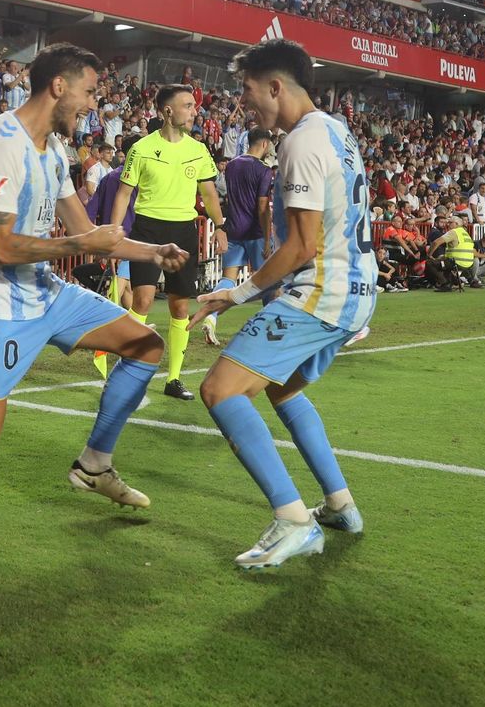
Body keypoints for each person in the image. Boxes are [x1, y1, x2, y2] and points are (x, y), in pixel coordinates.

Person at [0, 43, 190, 523]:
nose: (91, 105)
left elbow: (88, 235)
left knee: (145, 345)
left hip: (47, 292)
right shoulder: (2, 142)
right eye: (87, 93)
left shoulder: (55, 150)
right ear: (57, 87)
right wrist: (75, 246)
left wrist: (153, 253)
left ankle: (94, 464)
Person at [191, 38, 377, 570]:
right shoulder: (337, 130)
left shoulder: (300, 141)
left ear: (276, 86)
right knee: (282, 389)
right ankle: (340, 506)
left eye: (249, 92)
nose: (246, 104)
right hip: (356, 292)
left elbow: (299, 246)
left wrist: (235, 294)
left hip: (321, 293)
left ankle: (295, 521)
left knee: (220, 390)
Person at [110, 83, 227, 401]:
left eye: (193, 105)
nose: (194, 110)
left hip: (183, 231)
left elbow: (209, 193)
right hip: (147, 230)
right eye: (188, 105)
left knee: (179, 306)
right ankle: (127, 372)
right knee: (143, 301)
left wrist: (220, 225)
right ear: (167, 111)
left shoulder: (198, 150)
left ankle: (173, 378)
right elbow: (124, 193)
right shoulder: (142, 148)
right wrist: (113, 230)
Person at [206, 128, 273, 346]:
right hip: (255, 232)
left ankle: (211, 317)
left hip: (233, 228)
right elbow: (263, 206)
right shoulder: (264, 170)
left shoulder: (232, 165)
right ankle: (268, 330)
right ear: (264, 144)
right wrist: (267, 236)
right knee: (267, 281)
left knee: (228, 279)